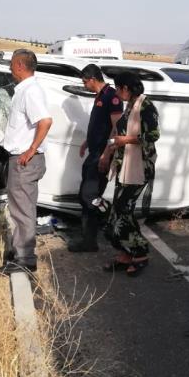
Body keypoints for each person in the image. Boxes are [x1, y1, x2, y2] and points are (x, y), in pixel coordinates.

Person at [99, 72, 160, 277]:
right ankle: (125, 253)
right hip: (124, 166)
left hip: (139, 168)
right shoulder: (130, 105)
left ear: (126, 87)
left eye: (118, 88)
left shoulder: (145, 106)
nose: (117, 92)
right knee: (117, 211)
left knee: (124, 210)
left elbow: (153, 135)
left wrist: (126, 140)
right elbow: (118, 131)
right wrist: (109, 152)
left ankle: (140, 252)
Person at [0, 49, 52, 275]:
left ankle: (25, 258)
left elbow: (45, 121)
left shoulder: (30, 91)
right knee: (22, 208)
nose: (10, 68)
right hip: (23, 160)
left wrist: (30, 150)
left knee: (23, 211)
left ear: (20, 65)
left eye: (12, 64)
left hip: (25, 161)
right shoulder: (25, 90)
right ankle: (21, 251)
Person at [70, 64, 123, 253]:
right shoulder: (100, 96)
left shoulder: (112, 96)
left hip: (102, 154)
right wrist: (87, 141)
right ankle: (89, 239)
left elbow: (117, 128)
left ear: (92, 79)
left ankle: (108, 215)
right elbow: (100, 125)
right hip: (94, 152)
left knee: (89, 196)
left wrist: (106, 154)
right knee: (86, 196)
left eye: (85, 82)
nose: (84, 85)